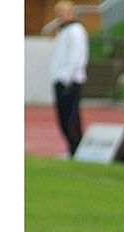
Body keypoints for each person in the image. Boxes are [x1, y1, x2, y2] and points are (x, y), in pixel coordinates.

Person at [49, 0, 89, 156]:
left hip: (71, 81)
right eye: (60, 14)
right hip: (60, 79)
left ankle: (76, 148)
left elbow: (76, 57)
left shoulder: (76, 31)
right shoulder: (63, 31)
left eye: (65, 13)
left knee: (71, 117)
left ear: (72, 13)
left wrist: (67, 78)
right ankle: (71, 147)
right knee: (63, 117)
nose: (62, 16)